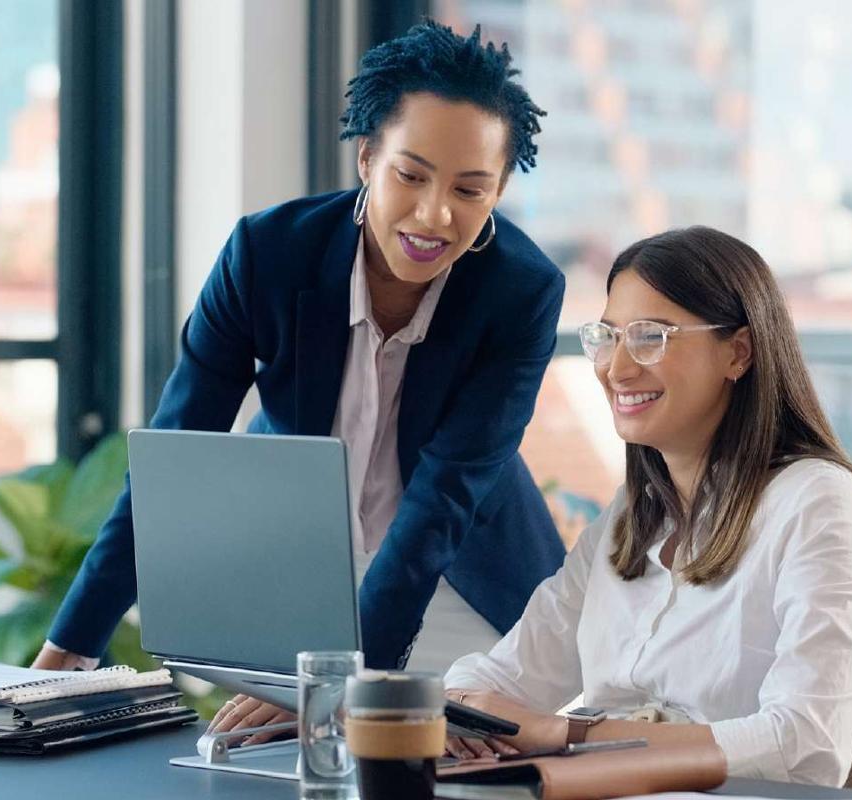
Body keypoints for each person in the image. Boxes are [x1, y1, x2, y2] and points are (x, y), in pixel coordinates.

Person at [34, 22, 566, 743]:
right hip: (298, 578)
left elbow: (443, 501)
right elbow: (174, 464)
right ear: (367, 156)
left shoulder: (521, 292)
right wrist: (67, 655)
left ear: (499, 188)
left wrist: (334, 683)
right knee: (265, 767)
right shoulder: (267, 255)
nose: (434, 215)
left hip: (459, 588)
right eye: (410, 175)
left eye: (470, 189)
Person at [442, 227, 852, 789]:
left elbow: (805, 747)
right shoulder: (632, 518)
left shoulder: (821, 504)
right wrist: (457, 709)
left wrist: (566, 736)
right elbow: (504, 675)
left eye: (650, 337)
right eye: (607, 337)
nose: (617, 368)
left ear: (739, 352)